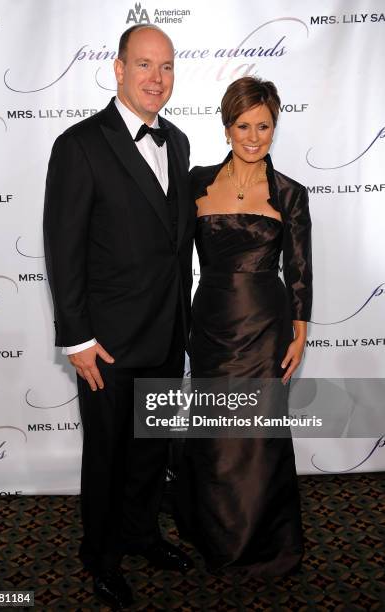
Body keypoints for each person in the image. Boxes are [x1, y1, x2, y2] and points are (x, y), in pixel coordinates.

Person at [43, 24, 195, 609]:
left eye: (167, 67)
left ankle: (140, 534)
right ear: (118, 68)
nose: (156, 79)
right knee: (107, 454)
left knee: (150, 452)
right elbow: (63, 246)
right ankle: (100, 556)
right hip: (105, 342)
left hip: (165, 333)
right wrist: (76, 337)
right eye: (144, 66)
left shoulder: (177, 141)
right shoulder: (79, 144)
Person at [175, 76, 312, 576]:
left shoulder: (290, 193)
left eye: (264, 126)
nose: (253, 137)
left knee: (258, 436)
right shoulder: (196, 182)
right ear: (226, 125)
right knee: (215, 435)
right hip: (210, 321)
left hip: (266, 327)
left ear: (275, 126)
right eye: (243, 125)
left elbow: (299, 268)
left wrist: (300, 331)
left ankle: (265, 544)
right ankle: (213, 534)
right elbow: (170, 257)